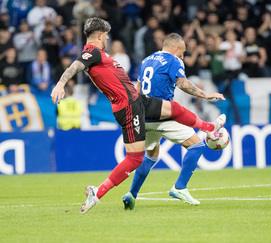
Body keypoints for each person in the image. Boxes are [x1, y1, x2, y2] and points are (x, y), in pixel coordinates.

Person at [50, 17, 226, 214]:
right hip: (129, 107)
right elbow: (76, 65)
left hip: (138, 100)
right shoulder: (91, 52)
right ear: (99, 35)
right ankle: (97, 192)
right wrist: (61, 83)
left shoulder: (107, 56)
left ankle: (211, 128)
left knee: (174, 108)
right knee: (134, 159)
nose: (107, 38)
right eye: (106, 35)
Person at [122, 33, 218, 209]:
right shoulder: (174, 60)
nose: (183, 56)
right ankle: (180, 187)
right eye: (182, 52)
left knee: (150, 156)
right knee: (197, 145)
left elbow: (138, 89)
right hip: (162, 115)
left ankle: (131, 194)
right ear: (176, 49)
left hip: (144, 116)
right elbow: (182, 84)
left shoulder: (146, 60)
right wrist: (206, 95)